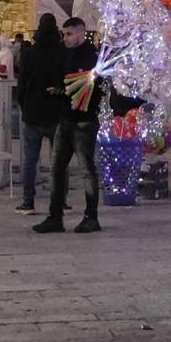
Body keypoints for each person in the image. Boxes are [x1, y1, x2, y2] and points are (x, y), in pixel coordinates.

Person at [36, 16, 101, 234]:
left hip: (83, 122)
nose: (66, 38)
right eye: (64, 34)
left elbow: (87, 88)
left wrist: (65, 90)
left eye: (70, 34)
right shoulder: (65, 53)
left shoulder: (91, 57)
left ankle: (91, 217)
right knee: (56, 170)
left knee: (86, 171)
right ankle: (55, 217)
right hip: (65, 120)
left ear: (82, 33)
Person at [14, 13, 65, 215]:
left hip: (33, 113)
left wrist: (24, 105)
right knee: (60, 161)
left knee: (30, 160)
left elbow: (22, 84)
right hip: (56, 113)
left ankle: (28, 201)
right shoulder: (62, 52)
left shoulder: (30, 53)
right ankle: (60, 200)